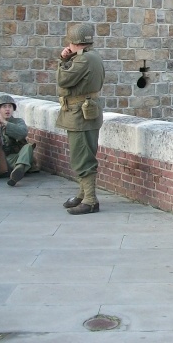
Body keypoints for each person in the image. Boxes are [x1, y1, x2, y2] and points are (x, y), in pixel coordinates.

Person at [56, 23, 105, 215]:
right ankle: (83, 194)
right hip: (85, 112)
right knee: (82, 154)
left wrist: (62, 60)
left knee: (82, 157)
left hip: (79, 114)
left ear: (74, 42)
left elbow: (63, 80)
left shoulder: (83, 60)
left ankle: (90, 200)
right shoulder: (92, 57)